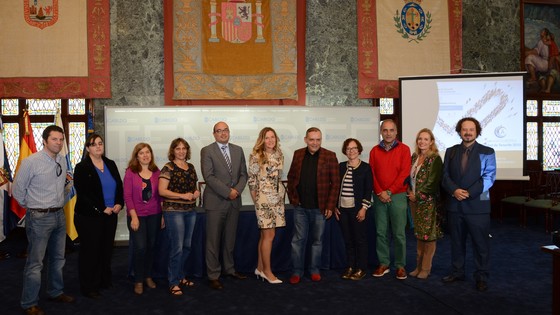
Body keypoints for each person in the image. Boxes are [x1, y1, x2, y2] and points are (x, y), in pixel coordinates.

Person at [13, 125, 75, 315]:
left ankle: (55, 292)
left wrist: (58, 203)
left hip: (59, 215)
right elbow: (17, 190)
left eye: (61, 139)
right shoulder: (31, 162)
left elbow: (65, 186)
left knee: (58, 258)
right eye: (54, 139)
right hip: (39, 218)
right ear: (45, 140)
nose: (58, 142)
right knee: (35, 263)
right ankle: (29, 303)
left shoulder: (63, 160)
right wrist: (33, 206)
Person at [441, 117, 496, 292]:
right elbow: (445, 177)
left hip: (477, 207)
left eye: (471, 129)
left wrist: (468, 193)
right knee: (457, 242)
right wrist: (455, 190)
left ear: (477, 131)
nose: (467, 132)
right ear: (459, 131)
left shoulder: (487, 151)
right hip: (455, 206)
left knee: (481, 244)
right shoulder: (450, 152)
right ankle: (457, 272)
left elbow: (489, 177)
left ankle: (481, 276)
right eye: (464, 129)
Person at [287, 127, 340, 284]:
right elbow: (291, 178)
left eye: (318, 139)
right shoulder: (298, 154)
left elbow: (335, 184)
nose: (315, 143)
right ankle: (297, 271)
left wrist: (330, 206)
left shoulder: (330, 156)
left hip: (320, 209)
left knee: (317, 241)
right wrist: (293, 199)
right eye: (312, 139)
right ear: (305, 140)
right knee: (298, 241)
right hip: (300, 208)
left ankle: (314, 270)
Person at [74, 134, 124, 299]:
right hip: (89, 217)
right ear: (88, 148)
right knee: (91, 251)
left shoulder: (110, 163)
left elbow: (119, 186)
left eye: (100, 143)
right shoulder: (82, 167)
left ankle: (103, 280)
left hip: (110, 215)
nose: (98, 147)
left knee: (106, 249)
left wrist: (119, 203)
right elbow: (84, 195)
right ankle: (89, 286)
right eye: (93, 144)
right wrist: (102, 208)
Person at [201, 122, 248, 290]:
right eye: (219, 131)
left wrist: (236, 191)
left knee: (230, 240)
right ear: (214, 134)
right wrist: (228, 191)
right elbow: (209, 176)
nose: (222, 133)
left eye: (225, 130)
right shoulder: (207, 151)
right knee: (213, 241)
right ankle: (213, 275)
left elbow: (244, 174)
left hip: (234, 202)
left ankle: (229, 269)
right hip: (216, 202)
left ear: (229, 132)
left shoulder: (238, 150)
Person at [369, 119, 411, 280]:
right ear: (381, 132)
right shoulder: (374, 151)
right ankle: (384, 263)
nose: (388, 133)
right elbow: (371, 173)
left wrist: (389, 191)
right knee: (381, 233)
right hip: (379, 196)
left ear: (396, 132)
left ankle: (400, 266)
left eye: (391, 130)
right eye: (385, 130)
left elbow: (404, 173)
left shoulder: (404, 149)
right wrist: (380, 191)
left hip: (398, 196)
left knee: (399, 233)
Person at [158, 138, 200, 296]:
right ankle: (173, 282)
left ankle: (181, 275)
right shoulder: (168, 168)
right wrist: (182, 196)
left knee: (187, 246)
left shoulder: (191, 167)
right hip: (173, 212)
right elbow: (162, 191)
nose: (181, 151)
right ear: (173, 151)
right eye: (178, 148)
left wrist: (196, 193)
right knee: (177, 248)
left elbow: (194, 188)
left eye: (184, 148)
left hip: (191, 211)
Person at [248, 127, 285, 284]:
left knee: (266, 236)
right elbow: (252, 181)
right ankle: (268, 272)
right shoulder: (256, 156)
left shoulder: (279, 155)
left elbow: (277, 178)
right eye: (267, 137)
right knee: (269, 236)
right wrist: (258, 201)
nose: (270, 140)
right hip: (263, 200)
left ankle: (260, 268)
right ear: (262, 140)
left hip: (277, 200)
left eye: (273, 137)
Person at [123, 143, 162, 295]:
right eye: (141, 153)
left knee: (151, 246)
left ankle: (148, 276)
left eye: (148, 152)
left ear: (151, 155)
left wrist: (163, 214)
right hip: (136, 216)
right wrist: (133, 216)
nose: (145, 155)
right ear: (136, 156)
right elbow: (127, 196)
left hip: (154, 214)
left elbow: (160, 195)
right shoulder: (130, 172)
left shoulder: (157, 171)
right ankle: (138, 280)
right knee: (140, 247)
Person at [406, 128, 443, 279]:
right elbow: (408, 177)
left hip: (428, 202)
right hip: (414, 201)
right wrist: (409, 193)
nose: (422, 141)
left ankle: (426, 269)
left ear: (431, 142)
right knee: (419, 235)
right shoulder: (414, 156)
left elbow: (432, 183)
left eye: (426, 139)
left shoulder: (435, 159)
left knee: (429, 236)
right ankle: (418, 266)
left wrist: (417, 196)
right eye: (420, 139)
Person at [334, 138, 372, 281]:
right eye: (348, 149)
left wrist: (363, 208)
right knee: (348, 240)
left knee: (360, 240)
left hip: (358, 210)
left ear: (359, 150)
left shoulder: (365, 168)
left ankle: (361, 268)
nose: (351, 151)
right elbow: (336, 188)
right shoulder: (341, 166)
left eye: (354, 148)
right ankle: (350, 267)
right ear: (345, 151)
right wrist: (335, 206)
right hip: (343, 210)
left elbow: (368, 190)